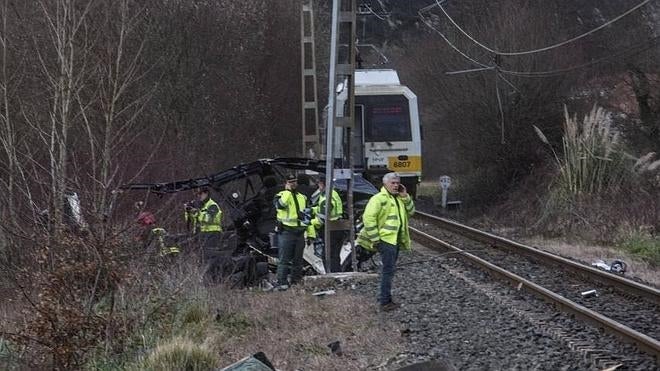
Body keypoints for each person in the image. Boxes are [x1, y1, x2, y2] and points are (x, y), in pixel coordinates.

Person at [357, 172, 415, 311]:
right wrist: (376, 239)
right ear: (385, 184)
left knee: (389, 270)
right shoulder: (378, 199)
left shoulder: (399, 199)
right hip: (385, 240)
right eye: (392, 183)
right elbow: (368, 218)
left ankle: (386, 299)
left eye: (397, 183)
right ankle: (385, 302)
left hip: (393, 240)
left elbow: (411, 212)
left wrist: (406, 197)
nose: (395, 186)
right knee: (388, 270)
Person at [273, 173, 314, 290]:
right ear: (286, 183)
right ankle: (282, 282)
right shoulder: (280, 195)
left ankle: (296, 282)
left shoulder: (303, 197)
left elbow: (307, 217)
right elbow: (280, 206)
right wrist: (287, 192)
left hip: (299, 232)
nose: (293, 184)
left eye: (295, 182)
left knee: (298, 260)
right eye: (290, 182)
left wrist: (310, 234)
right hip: (286, 232)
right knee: (284, 259)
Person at [310, 175, 344, 272]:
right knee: (335, 255)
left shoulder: (327, 197)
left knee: (328, 255)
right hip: (337, 227)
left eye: (319, 184)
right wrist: (312, 210)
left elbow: (322, 218)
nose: (318, 186)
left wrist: (310, 223)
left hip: (331, 229)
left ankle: (332, 275)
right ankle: (337, 273)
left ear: (322, 184)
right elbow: (325, 209)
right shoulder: (332, 193)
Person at [184, 187, 223, 264]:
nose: (198, 196)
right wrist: (188, 211)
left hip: (212, 234)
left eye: (200, 194)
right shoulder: (202, 206)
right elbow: (191, 221)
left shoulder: (212, 205)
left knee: (210, 258)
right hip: (202, 235)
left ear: (206, 193)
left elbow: (208, 219)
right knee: (202, 259)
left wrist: (196, 212)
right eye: (197, 194)